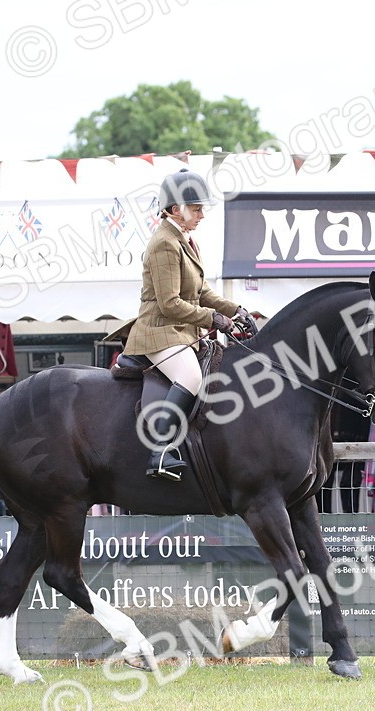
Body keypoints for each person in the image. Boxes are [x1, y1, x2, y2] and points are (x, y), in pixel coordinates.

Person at [122, 169, 257, 481]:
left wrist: (237, 310)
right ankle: (159, 451)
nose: (202, 214)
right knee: (191, 377)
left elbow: (202, 293)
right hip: (158, 333)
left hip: (181, 333)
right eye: (196, 208)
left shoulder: (185, 241)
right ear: (174, 210)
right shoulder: (164, 244)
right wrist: (212, 319)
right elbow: (170, 303)